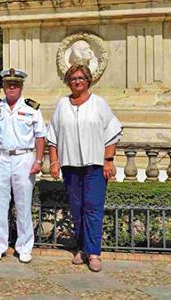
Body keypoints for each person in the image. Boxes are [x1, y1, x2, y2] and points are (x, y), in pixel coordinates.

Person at [46, 64, 122, 272]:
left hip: (94, 165)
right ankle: (82, 248)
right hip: (70, 165)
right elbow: (53, 136)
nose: (77, 81)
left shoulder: (99, 103)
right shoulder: (62, 104)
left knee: (93, 208)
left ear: (88, 80)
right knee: (77, 209)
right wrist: (54, 162)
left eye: (80, 77)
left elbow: (112, 131)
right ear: (68, 82)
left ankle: (94, 252)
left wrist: (109, 160)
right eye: (72, 78)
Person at [0, 68, 46, 263]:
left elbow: (40, 136)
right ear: (3, 86)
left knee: (23, 204)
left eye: (16, 84)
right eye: (8, 83)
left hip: (23, 158)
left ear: (21, 86)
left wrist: (39, 160)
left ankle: (24, 247)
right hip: (1, 157)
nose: (12, 87)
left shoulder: (32, 109)